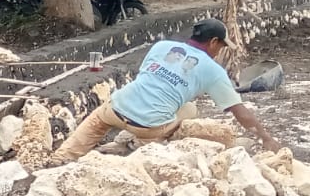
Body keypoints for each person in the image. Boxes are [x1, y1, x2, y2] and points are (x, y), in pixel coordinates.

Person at [53, 19, 283, 163]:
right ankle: (140, 146)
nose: (221, 51)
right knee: (189, 109)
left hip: (116, 108)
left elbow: (149, 79)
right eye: (222, 46)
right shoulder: (213, 70)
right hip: (149, 126)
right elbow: (240, 113)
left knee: (97, 121)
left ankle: (62, 157)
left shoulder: (161, 46)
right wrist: (267, 140)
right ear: (214, 42)